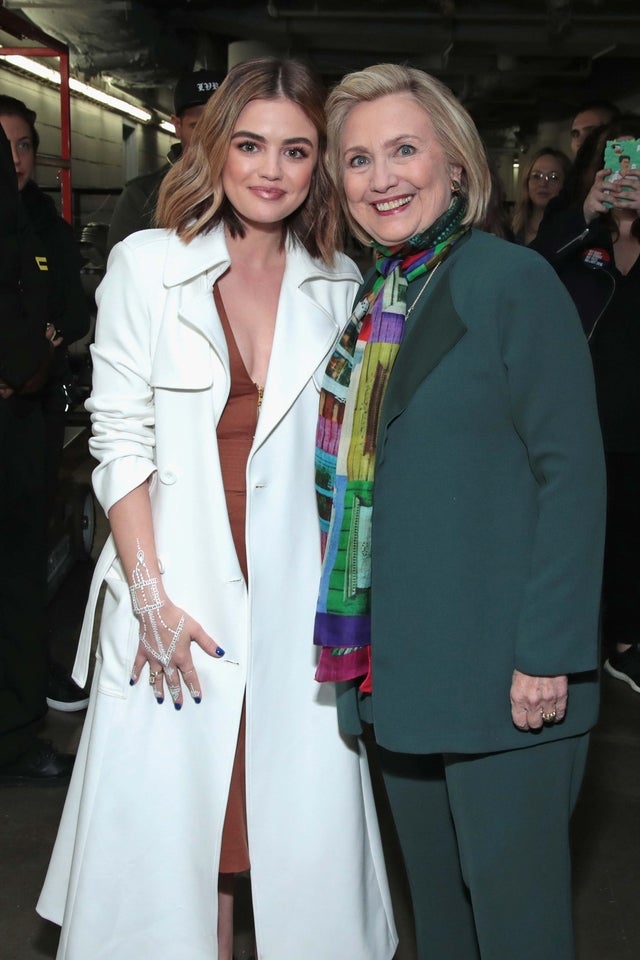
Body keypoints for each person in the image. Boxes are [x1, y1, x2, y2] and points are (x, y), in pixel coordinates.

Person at [37, 57, 397, 960]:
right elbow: (119, 439)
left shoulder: (342, 282)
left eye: (297, 150)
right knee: (176, 845)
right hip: (178, 584)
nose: (270, 169)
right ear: (214, 148)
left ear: (319, 164)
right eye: (250, 144)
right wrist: (150, 599)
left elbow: (353, 462)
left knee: (278, 837)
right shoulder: (147, 265)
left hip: (293, 599)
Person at [315, 63, 606, 960]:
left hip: (509, 677)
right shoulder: (374, 301)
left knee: (516, 929)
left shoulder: (506, 279)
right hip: (401, 676)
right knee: (439, 927)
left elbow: (573, 473)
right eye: (358, 159)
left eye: (404, 149)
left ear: (456, 164)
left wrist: (548, 652)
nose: (382, 177)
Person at [532, 114, 640, 695]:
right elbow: (529, 276)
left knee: (630, 535)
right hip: (580, 413)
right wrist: (586, 217)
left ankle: (624, 643)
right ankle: (576, 645)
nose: (623, 172)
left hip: (635, 419)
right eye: (610, 160)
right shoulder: (572, 227)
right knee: (578, 535)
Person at [0, 96, 91, 714]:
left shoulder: (47, 229)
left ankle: (22, 699)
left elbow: (72, 314)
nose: (13, 160)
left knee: (20, 568)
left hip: (28, 424)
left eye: (23, 146)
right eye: (0, 147)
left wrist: (34, 359)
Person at [106, 68, 222, 251]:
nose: (208, 138)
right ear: (177, 125)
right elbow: (121, 274)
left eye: (219, 126)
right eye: (197, 126)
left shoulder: (251, 191)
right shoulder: (141, 197)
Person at [511, 146, 571, 244]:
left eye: (553, 177)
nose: (543, 184)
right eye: (536, 176)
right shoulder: (510, 229)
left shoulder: (571, 233)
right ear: (527, 181)